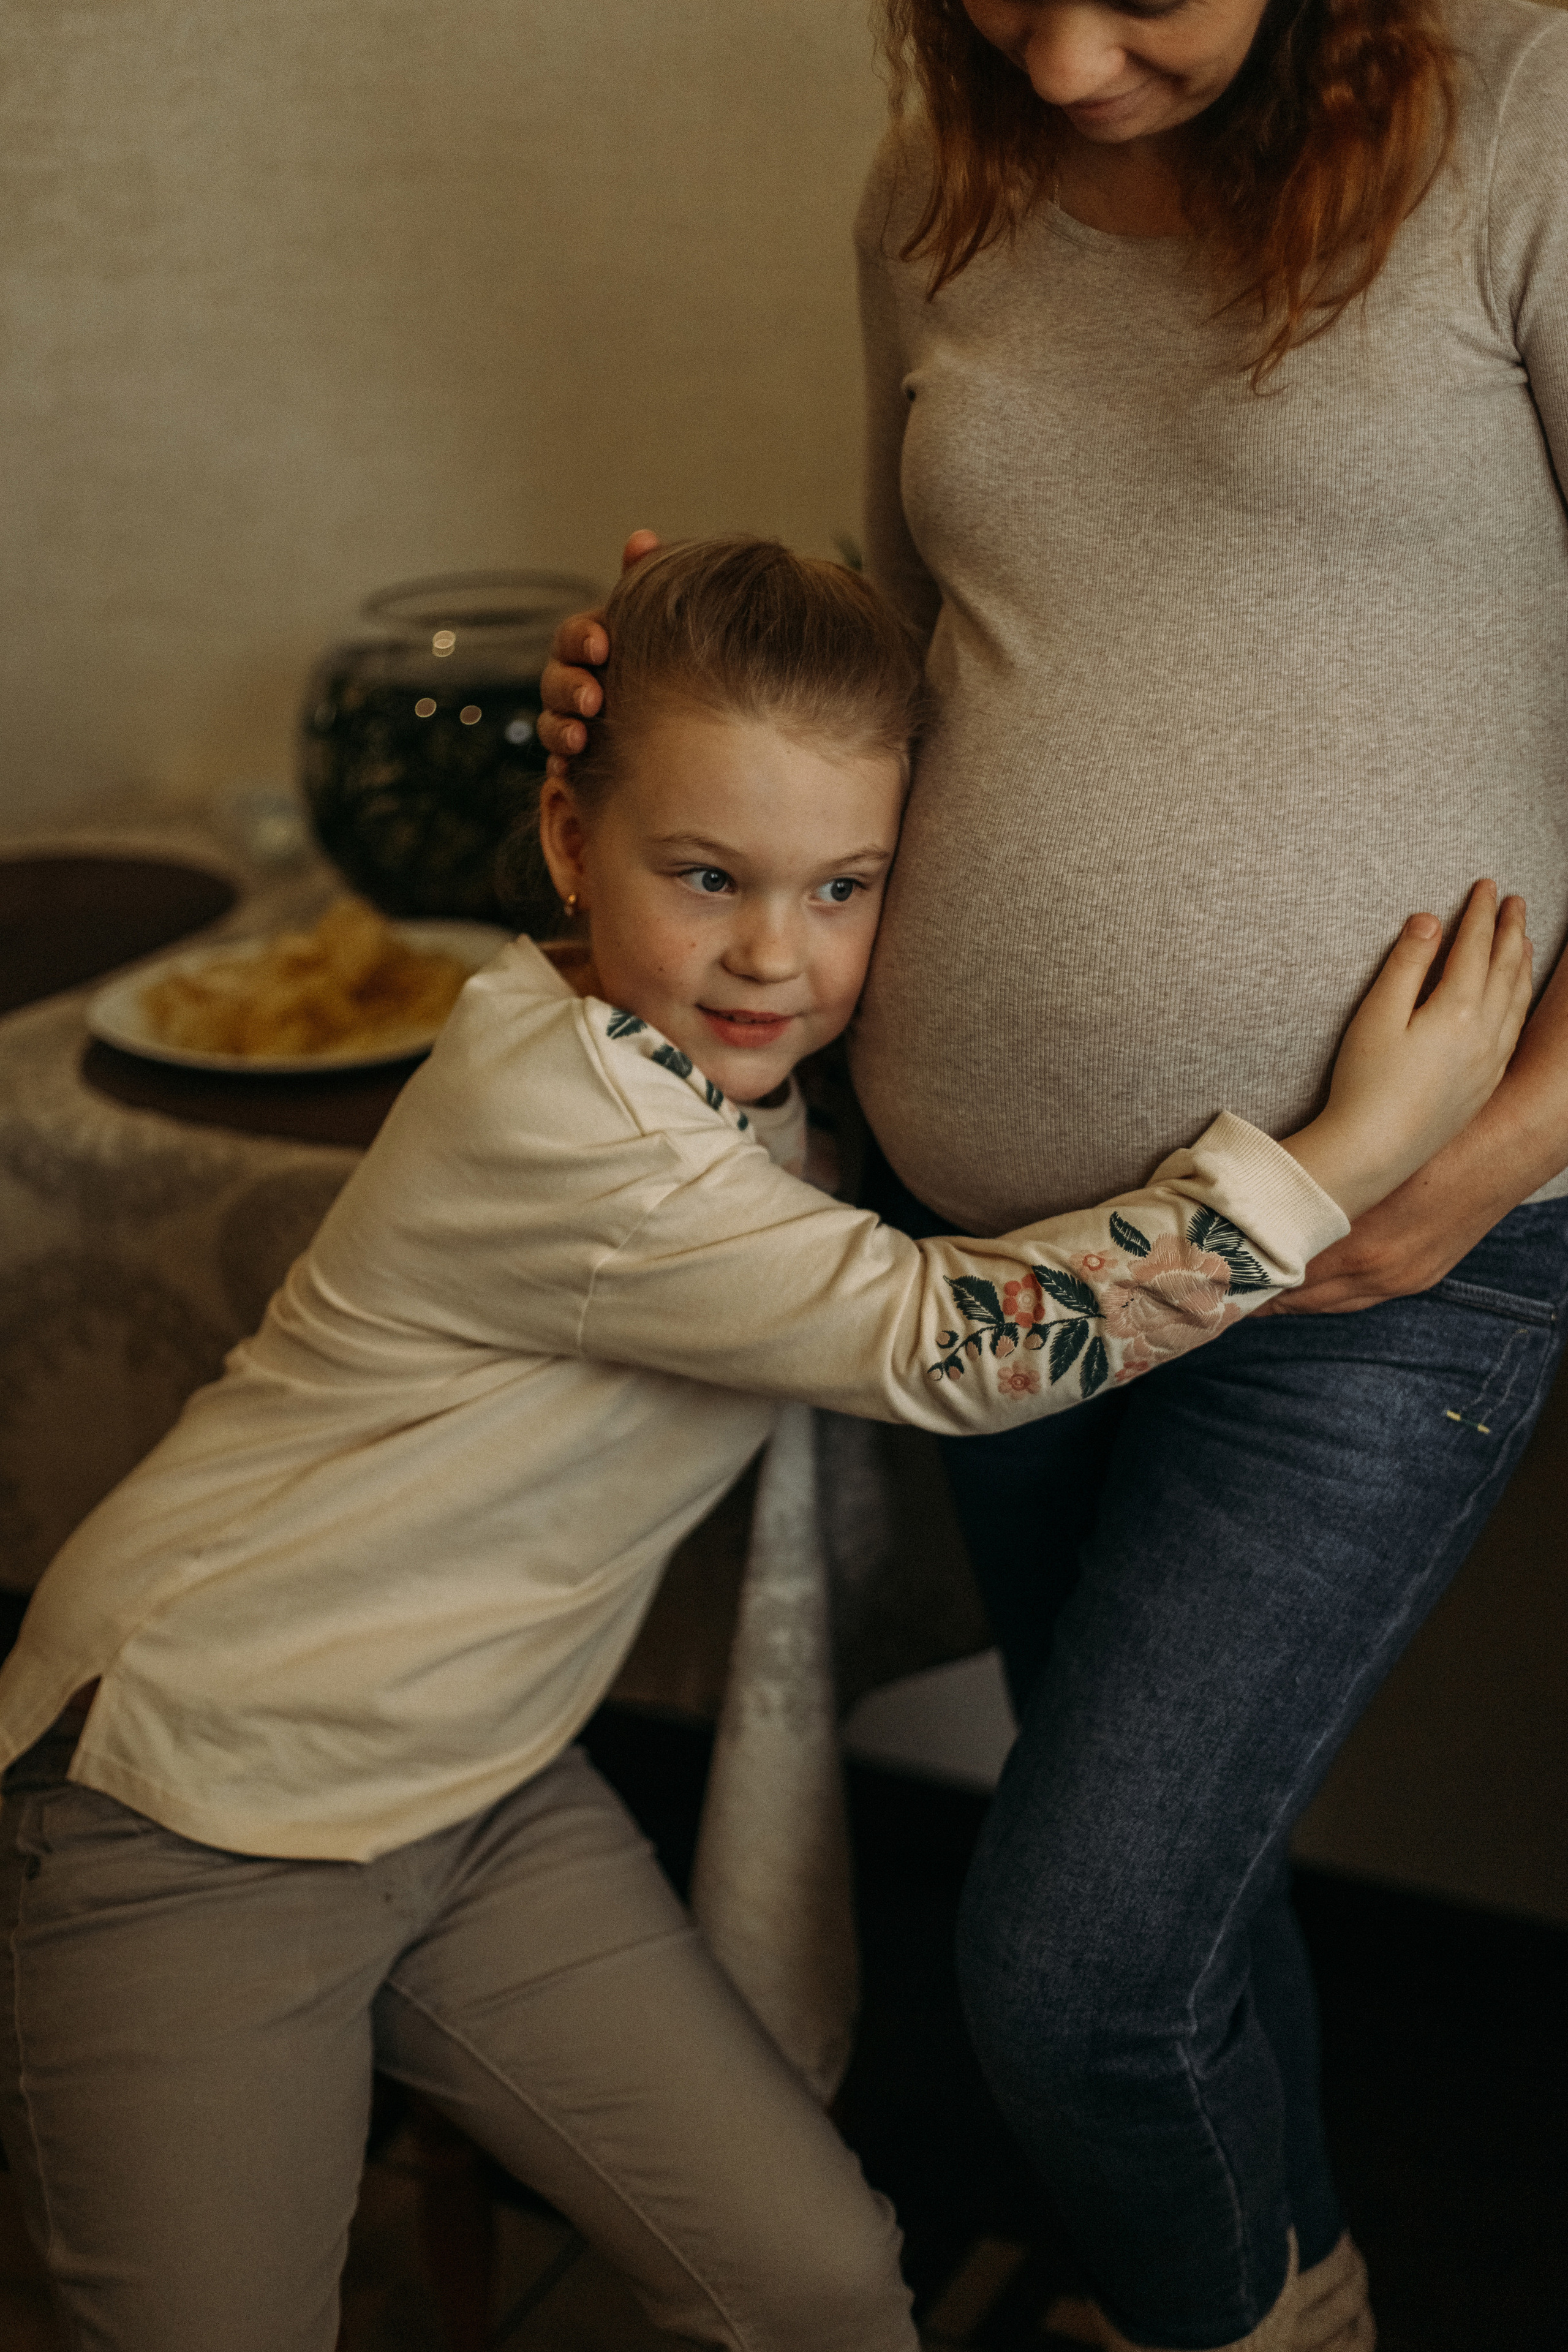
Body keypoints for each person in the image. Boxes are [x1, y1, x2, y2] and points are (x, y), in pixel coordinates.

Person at [0, 538, 1532, 2352]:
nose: (770, 957)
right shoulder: (565, 1114)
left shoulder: (740, 1075)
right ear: (569, 840)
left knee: (814, 2287)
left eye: (844, 889)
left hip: (480, 1790)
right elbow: (948, 1343)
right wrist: (1363, 1145)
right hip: (193, 1798)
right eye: (707, 873)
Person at [537, 4, 1568, 2345]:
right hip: (997, 1257)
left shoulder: (1534, 118)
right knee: (1177, 1885)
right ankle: (1280, 2283)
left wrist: (1486, 1159)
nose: (1071, 60)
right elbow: (929, 656)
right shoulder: (937, 187)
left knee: (1070, 1968)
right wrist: (680, 728)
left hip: (1400, 1260)